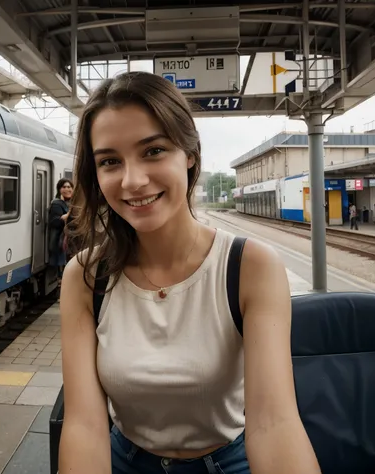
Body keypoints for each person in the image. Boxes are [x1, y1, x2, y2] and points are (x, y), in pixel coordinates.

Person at [59, 72, 321, 474]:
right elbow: (84, 424)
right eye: (110, 161)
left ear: (190, 154)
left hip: (229, 461)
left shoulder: (250, 266)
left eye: (153, 151)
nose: (132, 180)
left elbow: (273, 424)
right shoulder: (85, 276)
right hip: (124, 461)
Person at [48, 178, 73, 280]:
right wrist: (67, 216)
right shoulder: (57, 204)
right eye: (64, 187)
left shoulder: (71, 203)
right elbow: (55, 222)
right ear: (59, 189)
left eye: (69, 187)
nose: (67, 189)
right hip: (60, 242)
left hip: (70, 243)